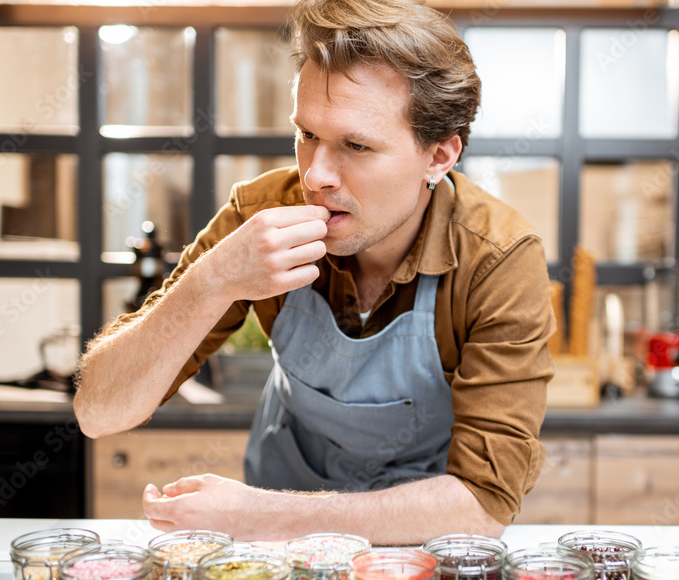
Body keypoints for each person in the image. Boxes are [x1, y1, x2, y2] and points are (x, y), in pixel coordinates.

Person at [73, 0, 555, 545]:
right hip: (283, 565)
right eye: (306, 135)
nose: (316, 174)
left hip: (420, 557)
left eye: (356, 145)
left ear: (439, 157)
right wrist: (212, 281)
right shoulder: (260, 215)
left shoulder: (497, 260)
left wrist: (258, 517)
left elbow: (481, 507)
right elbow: (99, 412)